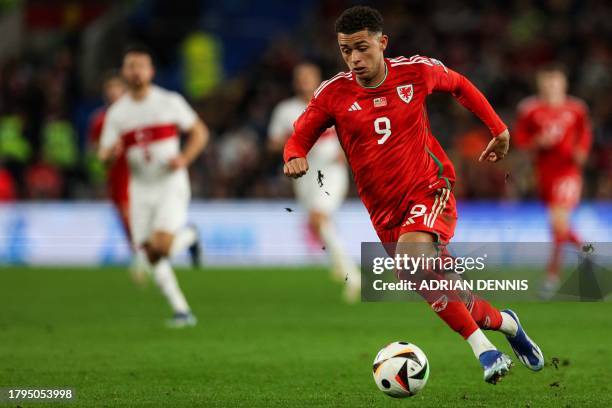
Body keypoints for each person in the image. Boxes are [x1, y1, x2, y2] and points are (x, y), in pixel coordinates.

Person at [283, 6, 544, 384]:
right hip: (384, 210)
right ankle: (506, 324)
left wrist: (498, 128)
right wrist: (293, 156)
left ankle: (485, 352)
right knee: (451, 293)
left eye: (362, 48)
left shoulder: (414, 72)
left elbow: (459, 84)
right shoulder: (333, 94)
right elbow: (299, 137)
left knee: (413, 259)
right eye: (345, 50)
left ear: (382, 42)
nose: (354, 58)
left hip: (429, 186)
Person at [98, 45, 208, 327]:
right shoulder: (117, 114)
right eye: (130, 66)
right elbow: (103, 156)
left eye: (140, 66)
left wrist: (184, 158)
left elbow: (199, 132)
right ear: (124, 72)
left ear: (151, 72)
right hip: (140, 188)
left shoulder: (168, 101)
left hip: (169, 183)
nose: (135, 71)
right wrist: (109, 156)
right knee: (150, 252)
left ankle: (190, 236)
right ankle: (182, 310)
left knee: (161, 246)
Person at [268, 62, 360, 302]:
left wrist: (346, 151)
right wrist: (294, 139)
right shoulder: (285, 110)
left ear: (318, 79)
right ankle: (340, 264)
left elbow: (354, 130)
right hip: (303, 174)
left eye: (308, 76)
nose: (304, 81)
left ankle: (352, 274)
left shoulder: (332, 101)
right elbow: (273, 143)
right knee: (317, 222)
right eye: (300, 77)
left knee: (318, 218)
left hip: (331, 170)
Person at [514, 65, 592, 299]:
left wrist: (581, 151)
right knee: (558, 227)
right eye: (547, 84)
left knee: (558, 223)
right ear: (541, 86)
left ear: (563, 85)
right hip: (544, 174)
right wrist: (537, 142)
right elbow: (520, 139)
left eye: (555, 83)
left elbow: (585, 133)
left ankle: (552, 277)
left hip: (568, 172)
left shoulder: (576, 108)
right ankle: (589, 255)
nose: (551, 88)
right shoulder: (530, 109)